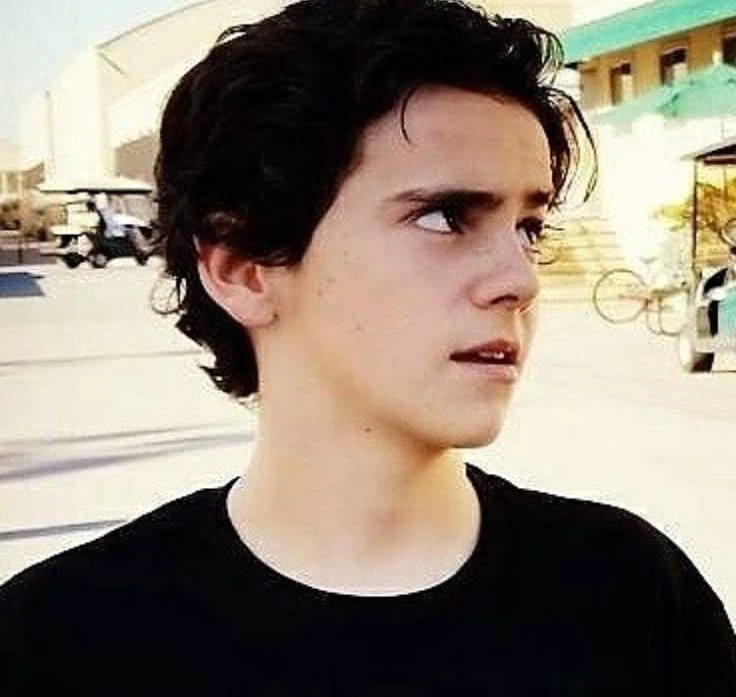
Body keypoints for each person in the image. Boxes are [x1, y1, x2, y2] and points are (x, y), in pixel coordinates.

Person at [2, 0, 735, 693]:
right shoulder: (61, 643)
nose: (520, 280)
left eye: (528, 228)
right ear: (243, 267)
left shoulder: (633, 600)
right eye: (446, 217)